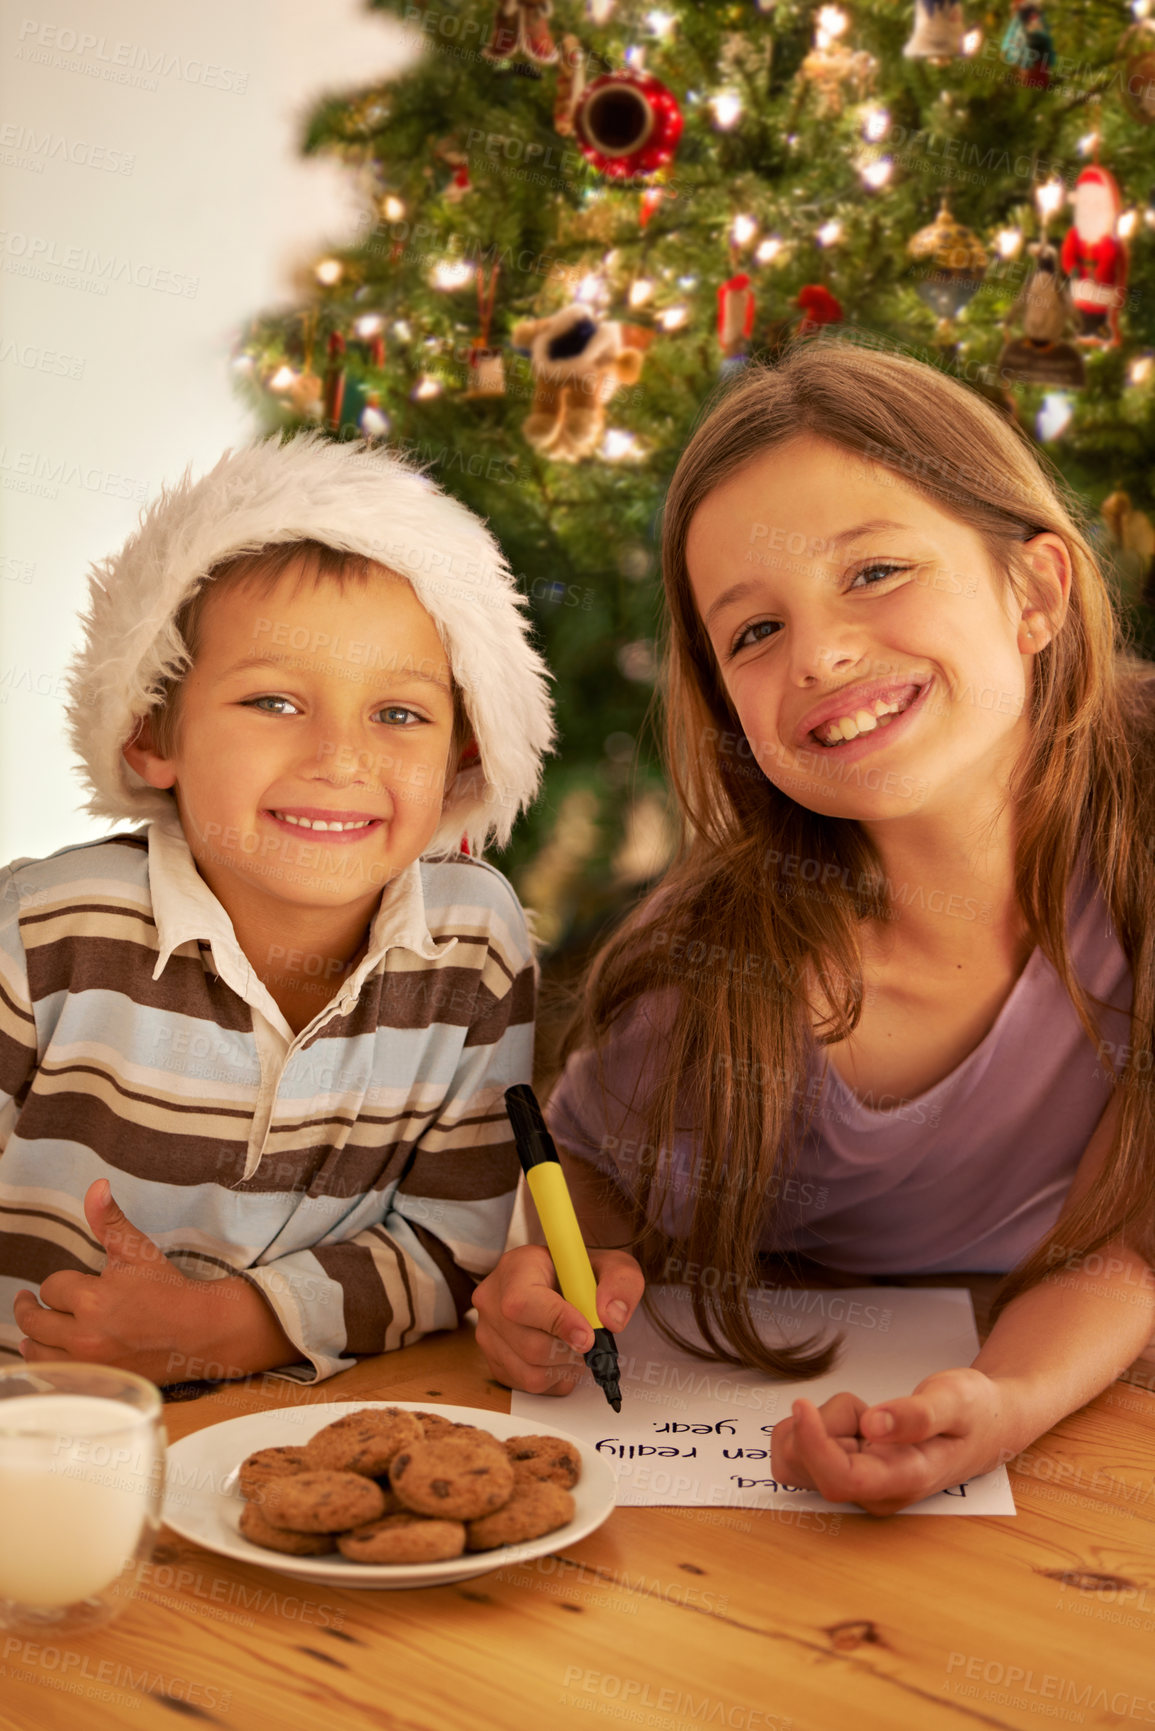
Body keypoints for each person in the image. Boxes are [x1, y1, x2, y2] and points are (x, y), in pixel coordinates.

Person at [474, 335, 1155, 1515]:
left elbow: (1132, 1252)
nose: (825, 653)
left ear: (1035, 591)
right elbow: (582, 1168)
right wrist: (547, 1277)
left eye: (877, 571)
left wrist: (1000, 1404)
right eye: (754, 632)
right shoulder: (720, 974)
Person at [0, 432, 553, 1386]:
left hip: (303, 1427)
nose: (341, 758)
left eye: (399, 713)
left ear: (462, 757)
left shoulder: (475, 948)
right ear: (149, 732)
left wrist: (227, 1327)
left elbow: (449, 1245)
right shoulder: (44, 931)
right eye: (273, 701)